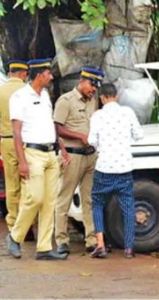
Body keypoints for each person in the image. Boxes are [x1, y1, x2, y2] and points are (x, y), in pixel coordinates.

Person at [5, 58, 70, 260]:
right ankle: (15, 237)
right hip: (32, 153)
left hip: (50, 152)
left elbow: (48, 124)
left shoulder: (45, 95)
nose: (51, 77)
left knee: (50, 201)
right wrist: (22, 161)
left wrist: (60, 146)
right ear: (39, 75)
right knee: (35, 197)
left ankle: (44, 247)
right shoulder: (19, 97)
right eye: (48, 73)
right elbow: (16, 132)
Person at [88, 83, 143, 259]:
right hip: (124, 167)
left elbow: (91, 141)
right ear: (116, 96)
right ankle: (128, 248)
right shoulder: (127, 113)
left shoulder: (97, 116)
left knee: (97, 203)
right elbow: (138, 135)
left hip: (104, 167)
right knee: (127, 207)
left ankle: (101, 245)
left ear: (102, 98)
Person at [53, 67, 102, 255]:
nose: (93, 90)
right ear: (82, 81)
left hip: (90, 155)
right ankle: (62, 240)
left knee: (89, 198)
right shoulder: (65, 101)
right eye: (91, 85)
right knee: (64, 198)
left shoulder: (93, 101)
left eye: (96, 86)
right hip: (72, 155)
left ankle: (91, 239)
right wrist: (78, 136)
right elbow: (56, 128)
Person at [0, 60, 33, 237]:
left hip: (8, 141)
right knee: (31, 183)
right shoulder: (30, 91)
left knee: (12, 186)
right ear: (23, 74)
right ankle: (31, 224)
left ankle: (15, 227)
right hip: (30, 141)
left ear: (9, 73)